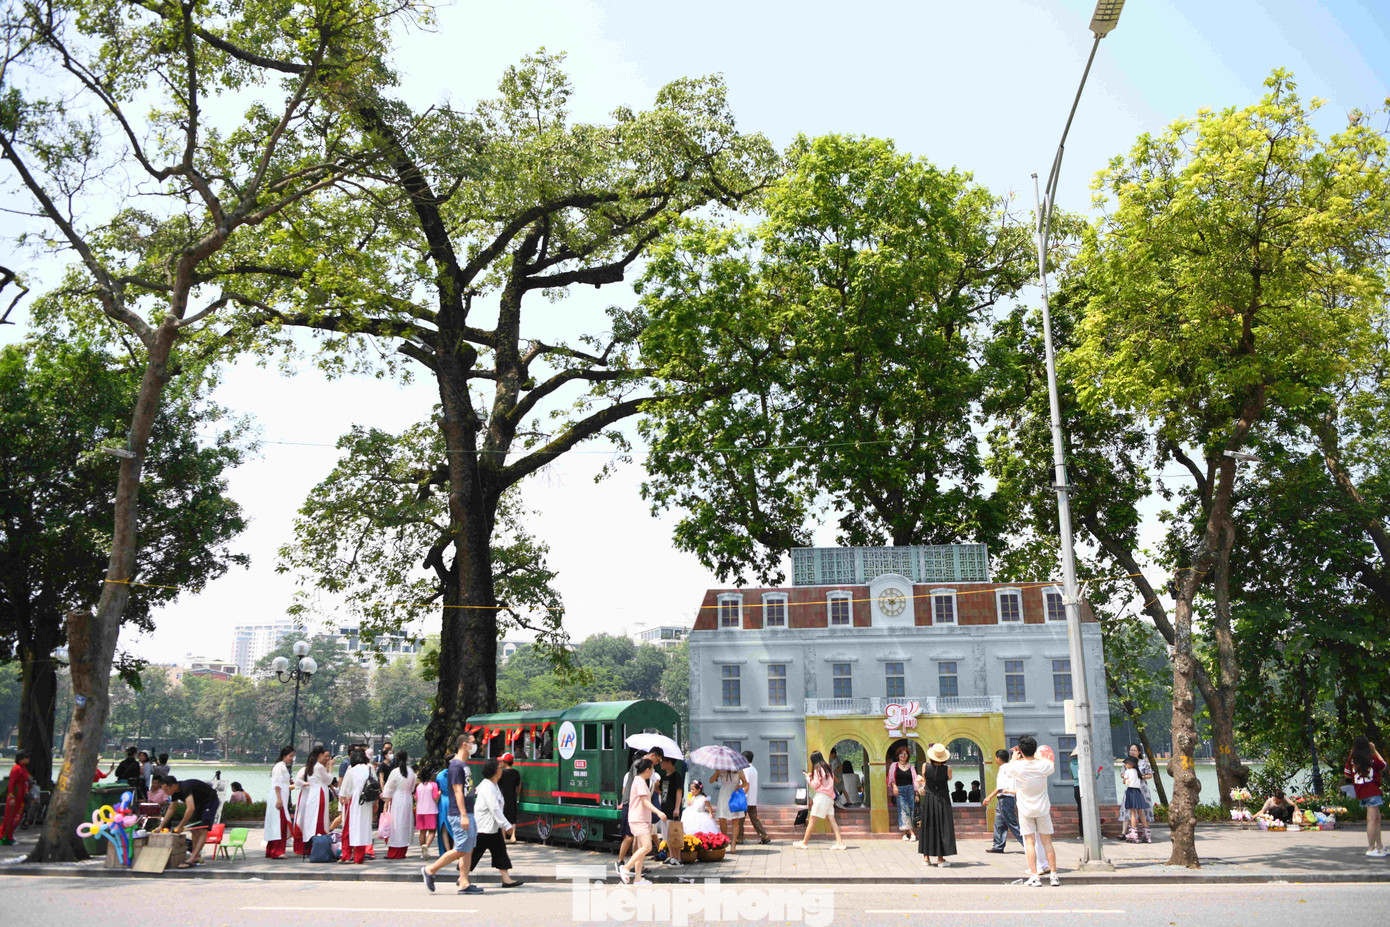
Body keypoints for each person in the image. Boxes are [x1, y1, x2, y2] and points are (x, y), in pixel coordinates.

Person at [422, 732, 481, 894]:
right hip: (459, 813)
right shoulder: (456, 766)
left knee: (469, 848)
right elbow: (457, 792)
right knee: (462, 848)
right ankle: (430, 870)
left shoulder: (464, 765)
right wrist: (463, 815)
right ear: (464, 744)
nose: (475, 745)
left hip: (468, 811)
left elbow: (465, 789)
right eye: (473, 742)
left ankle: (464, 882)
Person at [1001, 737, 1059, 887]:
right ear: (1035, 749)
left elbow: (1007, 770)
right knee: (1047, 842)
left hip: (1025, 808)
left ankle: (1034, 876)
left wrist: (1014, 757)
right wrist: (1036, 754)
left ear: (1020, 750)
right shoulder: (1043, 765)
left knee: (1029, 842)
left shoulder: (1017, 767)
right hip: (1043, 808)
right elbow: (1050, 763)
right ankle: (1053, 875)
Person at [472, 758, 523, 886]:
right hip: (484, 828)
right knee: (474, 854)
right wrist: (506, 825)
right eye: (500, 768)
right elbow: (494, 808)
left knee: (500, 852)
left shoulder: (493, 784)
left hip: (491, 828)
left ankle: (506, 879)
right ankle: (462, 877)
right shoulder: (488, 786)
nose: (502, 770)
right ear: (495, 772)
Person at [617, 758, 666, 885]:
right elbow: (645, 802)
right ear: (647, 770)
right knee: (647, 846)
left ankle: (638, 878)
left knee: (641, 850)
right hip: (639, 819)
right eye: (652, 769)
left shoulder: (639, 781)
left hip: (640, 819)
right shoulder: (640, 782)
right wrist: (659, 812)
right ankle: (626, 867)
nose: (653, 772)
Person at [157, 774, 219, 868]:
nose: (165, 793)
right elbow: (171, 809)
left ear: (173, 786)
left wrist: (181, 825)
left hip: (210, 801)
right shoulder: (174, 792)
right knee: (193, 830)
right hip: (199, 804)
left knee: (203, 830)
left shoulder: (185, 787)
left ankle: (193, 857)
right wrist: (161, 825)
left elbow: (190, 808)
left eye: (166, 790)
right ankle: (195, 855)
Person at [1343, 736, 1386, 857]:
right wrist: (1374, 750)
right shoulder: (1371, 759)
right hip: (1372, 791)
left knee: (1376, 818)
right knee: (1372, 820)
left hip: (1362, 791)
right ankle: (1371, 847)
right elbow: (1383, 764)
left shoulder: (1352, 760)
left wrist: (1352, 753)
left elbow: (1346, 774)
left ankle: (1379, 846)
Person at [795, 751, 846, 850]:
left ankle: (804, 842)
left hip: (821, 797)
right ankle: (840, 843)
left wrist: (808, 778)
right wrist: (811, 777)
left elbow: (815, 785)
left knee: (812, 820)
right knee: (832, 820)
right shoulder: (828, 768)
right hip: (830, 798)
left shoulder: (818, 768)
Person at [918, 742, 957, 866]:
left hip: (929, 799)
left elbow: (925, 778)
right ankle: (940, 859)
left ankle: (926, 857)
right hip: (943, 799)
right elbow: (949, 778)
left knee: (928, 826)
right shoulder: (948, 769)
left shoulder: (925, 766)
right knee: (942, 827)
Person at [293, 745, 333, 857]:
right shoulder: (319, 766)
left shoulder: (311, 765)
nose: (328, 759)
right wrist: (330, 767)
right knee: (319, 819)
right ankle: (318, 845)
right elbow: (329, 780)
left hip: (312, 794)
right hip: (319, 793)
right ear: (319, 755)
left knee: (311, 819)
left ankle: (309, 845)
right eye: (325, 756)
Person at [338, 748, 375, 865]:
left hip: (354, 802)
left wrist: (343, 799)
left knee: (348, 829)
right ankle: (359, 857)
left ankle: (346, 855)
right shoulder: (370, 768)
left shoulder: (351, 770)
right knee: (363, 829)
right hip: (367, 802)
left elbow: (343, 791)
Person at [985, 748, 1022, 854]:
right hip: (1005, 799)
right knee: (999, 823)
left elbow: (1000, 787)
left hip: (1005, 799)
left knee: (1012, 823)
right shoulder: (1009, 767)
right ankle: (998, 846)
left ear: (999, 759)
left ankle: (1028, 843)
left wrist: (989, 797)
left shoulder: (1003, 769)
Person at [383, 751, 417, 859]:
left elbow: (389, 788)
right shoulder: (411, 771)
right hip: (407, 799)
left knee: (396, 825)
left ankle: (393, 852)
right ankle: (402, 851)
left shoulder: (395, 772)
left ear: (396, 759)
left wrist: (386, 803)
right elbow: (412, 788)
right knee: (405, 824)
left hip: (397, 799)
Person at [264, 746, 295, 859]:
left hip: (282, 798)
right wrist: (279, 799)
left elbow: (283, 785)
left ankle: (271, 849)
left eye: (293, 756)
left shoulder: (282, 767)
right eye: (290, 756)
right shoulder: (279, 767)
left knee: (278, 824)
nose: (292, 758)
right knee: (279, 825)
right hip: (279, 799)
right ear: (284, 755)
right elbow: (277, 784)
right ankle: (277, 851)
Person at [711, 764, 748, 853]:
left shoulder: (739, 770)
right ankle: (725, 841)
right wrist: (716, 772)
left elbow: (745, 783)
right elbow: (711, 780)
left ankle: (734, 843)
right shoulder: (721, 769)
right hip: (723, 795)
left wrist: (739, 787)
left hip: (734, 795)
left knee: (735, 820)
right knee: (722, 819)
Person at [888, 745, 919, 842]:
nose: (903, 755)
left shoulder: (911, 767)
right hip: (900, 790)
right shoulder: (894, 765)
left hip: (910, 790)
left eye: (905, 754)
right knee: (903, 811)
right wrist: (894, 786)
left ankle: (904, 833)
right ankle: (912, 833)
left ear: (908, 755)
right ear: (898, 755)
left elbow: (915, 781)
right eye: (901, 753)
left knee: (911, 810)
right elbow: (891, 779)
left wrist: (917, 794)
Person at [738, 751, 771, 845]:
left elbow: (746, 784)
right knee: (754, 819)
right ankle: (764, 836)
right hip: (752, 799)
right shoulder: (753, 769)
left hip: (745, 798)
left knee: (740, 819)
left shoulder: (745, 769)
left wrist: (741, 796)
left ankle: (739, 838)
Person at [1, 750, 32, 845]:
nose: (28, 759)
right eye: (26, 757)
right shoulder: (16, 769)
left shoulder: (24, 769)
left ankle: (10, 836)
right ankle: (4, 837)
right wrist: (11, 796)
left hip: (21, 798)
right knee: (10, 818)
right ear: (21, 759)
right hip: (15, 798)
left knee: (17, 818)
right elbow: (11, 783)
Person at [1121, 756, 1150, 843]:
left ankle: (1133, 834)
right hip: (1138, 792)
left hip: (1131, 791)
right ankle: (1147, 835)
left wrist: (1125, 780)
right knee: (1141, 813)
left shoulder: (1128, 772)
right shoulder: (1137, 772)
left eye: (1126, 763)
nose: (1125, 764)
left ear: (1131, 764)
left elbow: (1125, 782)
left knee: (1133, 813)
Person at [1126, 743, 1156, 824]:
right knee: (1132, 810)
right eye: (1131, 750)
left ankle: (1146, 830)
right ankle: (1133, 830)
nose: (1132, 752)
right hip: (1131, 788)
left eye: (1134, 750)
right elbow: (1122, 774)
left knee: (1145, 808)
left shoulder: (1144, 763)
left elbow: (1150, 775)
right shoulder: (1127, 762)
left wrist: (1141, 777)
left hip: (1142, 788)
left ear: (1139, 752)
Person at [415, 769, 440, 859]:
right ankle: (427, 846)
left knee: (422, 831)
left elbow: (416, 798)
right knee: (432, 831)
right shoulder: (433, 785)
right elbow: (436, 798)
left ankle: (422, 850)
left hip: (420, 811)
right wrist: (439, 793)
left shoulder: (419, 786)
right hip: (431, 810)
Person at [497, 753, 521, 841]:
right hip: (512, 796)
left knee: (503, 816)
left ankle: (503, 837)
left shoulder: (502, 773)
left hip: (502, 797)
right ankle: (513, 836)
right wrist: (517, 794)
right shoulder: (516, 772)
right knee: (513, 817)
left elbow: (497, 785)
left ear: (505, 762)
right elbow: (519, 785)